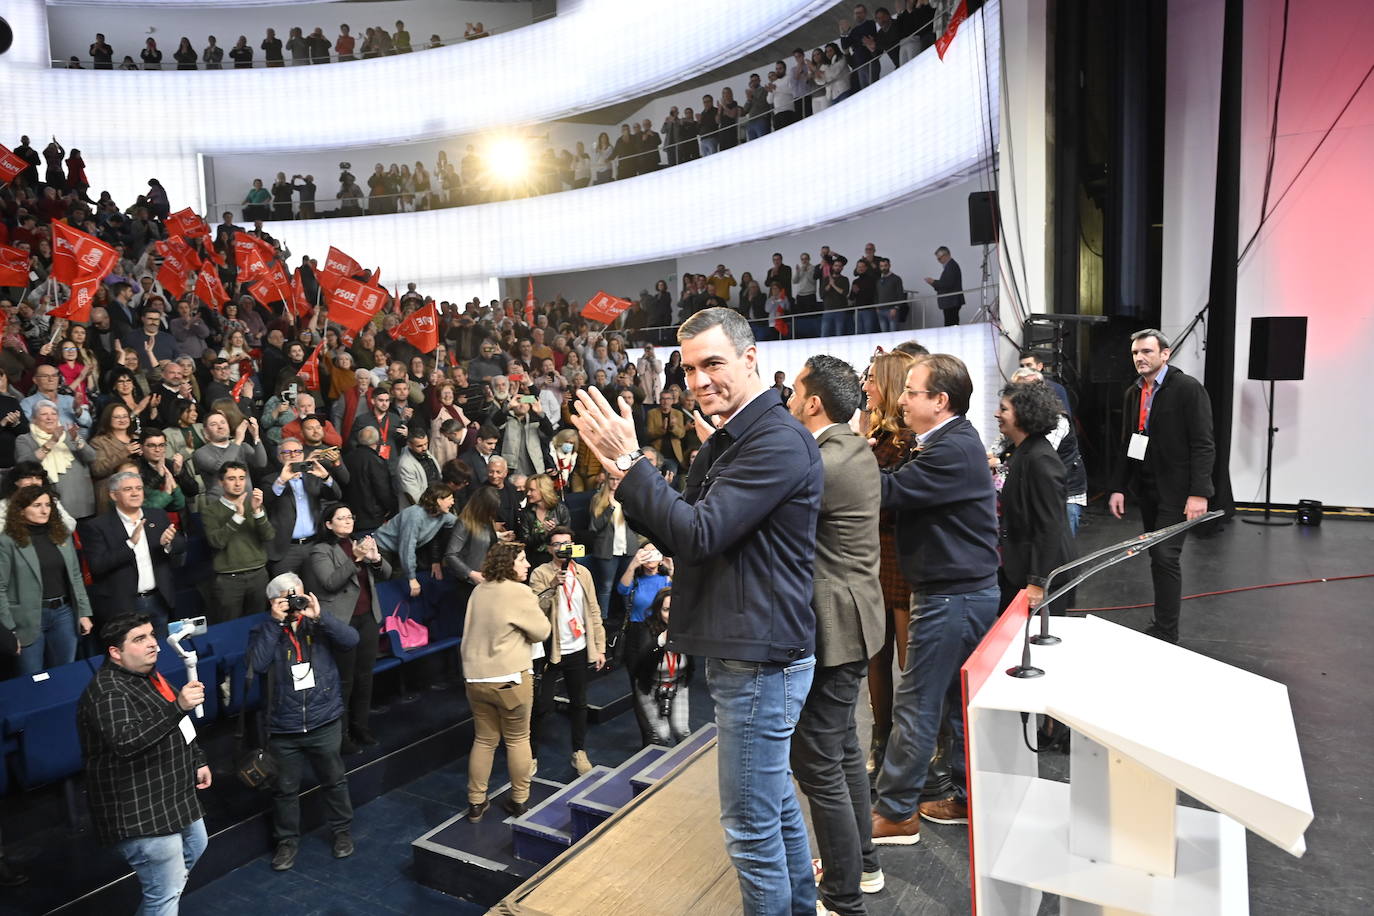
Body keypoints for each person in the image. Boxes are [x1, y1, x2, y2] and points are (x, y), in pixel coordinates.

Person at [570, 307, 822, 914]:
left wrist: (632, 465)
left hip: (761, 657)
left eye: (714, 363)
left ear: (750, 358)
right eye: (689, 368)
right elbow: (684, 520)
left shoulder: (775, 441)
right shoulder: (738, 435)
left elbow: (699, 533)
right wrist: (626, 473)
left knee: (749, 827)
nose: (700, 380)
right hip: (752, 650)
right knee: (774, 805)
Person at [870, 354, 1000, 844]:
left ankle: (898, 811)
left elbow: (887, 493)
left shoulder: (949, 450)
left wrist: (837, 453)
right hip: (958, 593)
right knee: (947, 704)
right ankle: (966, 799)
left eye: (911, 391)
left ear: (939, 401)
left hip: (952, 597)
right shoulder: (946, 444)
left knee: (917, 704)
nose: (901, 400)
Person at [785, 355, 887, 914]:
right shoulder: (849, 447)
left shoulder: (824, 461)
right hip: (852, 619)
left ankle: (842, 894)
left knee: (817, 761)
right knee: (842, 749)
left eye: (796, 389)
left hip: (836, 626)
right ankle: (862, 867)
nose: (790, 397)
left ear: (814, 401)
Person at [77, 614, 211, 913]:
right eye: (140, 639)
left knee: (195, 845)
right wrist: (178, 707)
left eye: (152, 635)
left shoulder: (149, 675)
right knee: (163, 893)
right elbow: (126, 742)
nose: (154, 644)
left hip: (173, 793)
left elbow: (179, 726)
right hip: (139, 807)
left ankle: (169, 884)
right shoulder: (108, 691)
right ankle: (167, 888)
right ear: (115, 652)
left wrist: (197, 759)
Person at [1107, 329, 1215, 644]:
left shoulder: (1187, 389)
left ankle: (1167, 631)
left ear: (1164, 354)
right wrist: (1118, 487)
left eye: (1146, 352)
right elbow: (1129, 443)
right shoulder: (1133, 393)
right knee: (1157, 555)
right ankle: (1162, 625)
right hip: (1148, 489)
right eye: (1135, 353)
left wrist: (1199, 493)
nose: (1140, 358)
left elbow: (1203, 444)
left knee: (1166, 556)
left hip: (1179, 491)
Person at [247, 573, 359, 871]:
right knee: (285, 790)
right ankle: (286, 843)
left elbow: (351, 640)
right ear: (273, 602)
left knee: (334, 780)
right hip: (284, 727)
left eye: (297, 593)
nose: (294, 601)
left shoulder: (317, 624)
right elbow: (257, 665)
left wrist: (320, 617)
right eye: (287, 596)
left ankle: (342, 832)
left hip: (323, 719)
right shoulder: (262, 630)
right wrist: (275, 623)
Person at [460, 541, 550, 821]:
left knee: (484, 740)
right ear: (507, 564)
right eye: (522, 559)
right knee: (518, 739)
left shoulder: (478, 590)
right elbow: (542, 631)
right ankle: (520, 800)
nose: (527, 564)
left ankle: (476, 802)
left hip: (475, 679)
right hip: (510, 679)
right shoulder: (520, 592)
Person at [860, 349, 916, 775]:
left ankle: (915, 750)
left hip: (903, 557)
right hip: (869, 558)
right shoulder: (869, 430)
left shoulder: (911, 441)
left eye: (872, 380)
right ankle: (880, 739)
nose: (866, 387)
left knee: (909, 664)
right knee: (875, 657)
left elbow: (892, 499)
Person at [305, 505, 390, 754]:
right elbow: (330, 583)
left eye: (350, 516)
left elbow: (385, 573)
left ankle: (360, 727)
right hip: (342, 622)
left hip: (367, 618)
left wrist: (375, 558)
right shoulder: (320, 551)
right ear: (328, 524)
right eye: (340, 518)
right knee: (345, 680)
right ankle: (341, 735)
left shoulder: (359, 543)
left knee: (365, 677)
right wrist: (356, 558)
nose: (347, 521)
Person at [528, 528, 605, 775]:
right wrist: (552, 586)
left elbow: (594, 611)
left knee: (579, 702)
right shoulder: (540, 573)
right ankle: (530, 755)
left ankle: (579, 751)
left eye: (567, 543)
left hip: (579, 647)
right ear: (549, 549)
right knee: (541, 705)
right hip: (552, 650)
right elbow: (534, 608)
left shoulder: (583, 573)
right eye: (557, 544)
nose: (562, 548)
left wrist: (600, 647)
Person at [995, 381, 1073, 612]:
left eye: (1004, 409)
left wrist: (1037, 581)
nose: (997, 414)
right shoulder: (1020, 451)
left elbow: (1050, 525)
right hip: (1019, 569)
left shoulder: (1040, 459)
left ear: (1023, 414)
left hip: (1039, 577)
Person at [0, 486, 94, 676]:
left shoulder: (61, 535)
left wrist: (84, 612)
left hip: (64, 614)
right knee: (34, 677)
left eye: (47, 505)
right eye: (37, 505)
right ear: (21, 509)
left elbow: (75, 576)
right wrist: (9, 628)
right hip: (27, 619)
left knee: (65, 673)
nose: (44, 510)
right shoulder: (7, 541)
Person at [78, 472, 185, 638]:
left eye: (139, 488)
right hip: (124, 605)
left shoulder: (157, 515)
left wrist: (168, 543)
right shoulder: (97, 526)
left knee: (164, 651)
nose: (135, 493)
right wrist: (130, 544)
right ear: (113, 495)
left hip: (159, 599)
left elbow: (180, 545)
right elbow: (97, 566)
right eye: (128, 489)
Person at [201, 462, 274, 623]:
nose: (238, 483)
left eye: (242, 478)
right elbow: (216, 542)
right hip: (229, 580)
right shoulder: (210, 511)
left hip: (258, 574)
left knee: (259, 623)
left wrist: (257, 512)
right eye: (231, 478)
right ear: (221, 482)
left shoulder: (255, 504)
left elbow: (268, 535)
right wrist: (237, 517)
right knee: (229, 626)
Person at [261, 438, 340, 576]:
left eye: (297, 451)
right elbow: (266, 501)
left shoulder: (313, 476)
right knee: (286, 591)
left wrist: (326, 477)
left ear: (303, 455)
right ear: (279, 458)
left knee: (316, 588)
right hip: (286, 549)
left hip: (314, 544)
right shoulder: (270, 480)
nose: (293, 455)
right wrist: (282, 480)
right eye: (287, 452)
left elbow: (336, 495)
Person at [631, 588, 695, 746]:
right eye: (666, 610)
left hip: (677, 684)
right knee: (662, 734)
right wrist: (659, 642)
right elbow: (640, 663)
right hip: (651, 687)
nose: (671, 615)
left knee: (682, 731)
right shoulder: (647, 629)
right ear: (658, 610)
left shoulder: (685, 628)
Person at [372, 482, 457, 597]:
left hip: (399, 550)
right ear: (438, 500)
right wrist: (412, 578)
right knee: (385, 584)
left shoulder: (443, 516)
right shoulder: (415, 516)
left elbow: (461, 524)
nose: (453, 502)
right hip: (382, 547)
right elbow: (407, 548)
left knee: (399, 582)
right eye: (450, 499)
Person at [16, 401, 98, 520]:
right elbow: (25, 465)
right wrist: (52, 441)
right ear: (33, 419)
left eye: (53, 414)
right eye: (44, 414)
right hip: (45, 506)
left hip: (80, 503)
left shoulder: (70, 435)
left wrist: (77, 439)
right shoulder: (24, 439)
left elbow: (91, 457)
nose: (49, 418)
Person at [517, 474, 570, 567]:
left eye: (532, 490)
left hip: (558, 557)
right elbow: (525, 541)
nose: (528, 493)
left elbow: (568, 536)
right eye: (527, 490)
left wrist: (555, 531)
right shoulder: (526, 513)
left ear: (543, 490)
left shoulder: (561, 510)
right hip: (534, 558)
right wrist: (543, 533)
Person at [923, 246, 965, 327]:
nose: (939, 261)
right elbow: (945, 284)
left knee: (950, 324)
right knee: (950, 323)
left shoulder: (951, 266)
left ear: (946, 255)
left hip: (951, 301)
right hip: (950, 301)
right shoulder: (950, 266)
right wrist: (933, 283)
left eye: (939, 258)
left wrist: (933, 282)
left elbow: (947, 284)